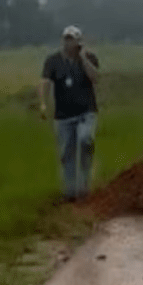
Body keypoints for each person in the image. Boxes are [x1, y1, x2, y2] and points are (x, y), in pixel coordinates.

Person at [38, 25, 100, 202]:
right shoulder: (53, 61)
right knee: (67, 153)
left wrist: (83, 58)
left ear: (79, 41)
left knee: (85, 139)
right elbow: (45, 82)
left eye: (72, 39)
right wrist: (43, 104)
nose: (68, 42)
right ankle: (71, 191)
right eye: (66, 39)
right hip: (63, 115)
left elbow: (95, 78)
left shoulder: (89, 58)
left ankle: (85, 186)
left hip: (86, 111)